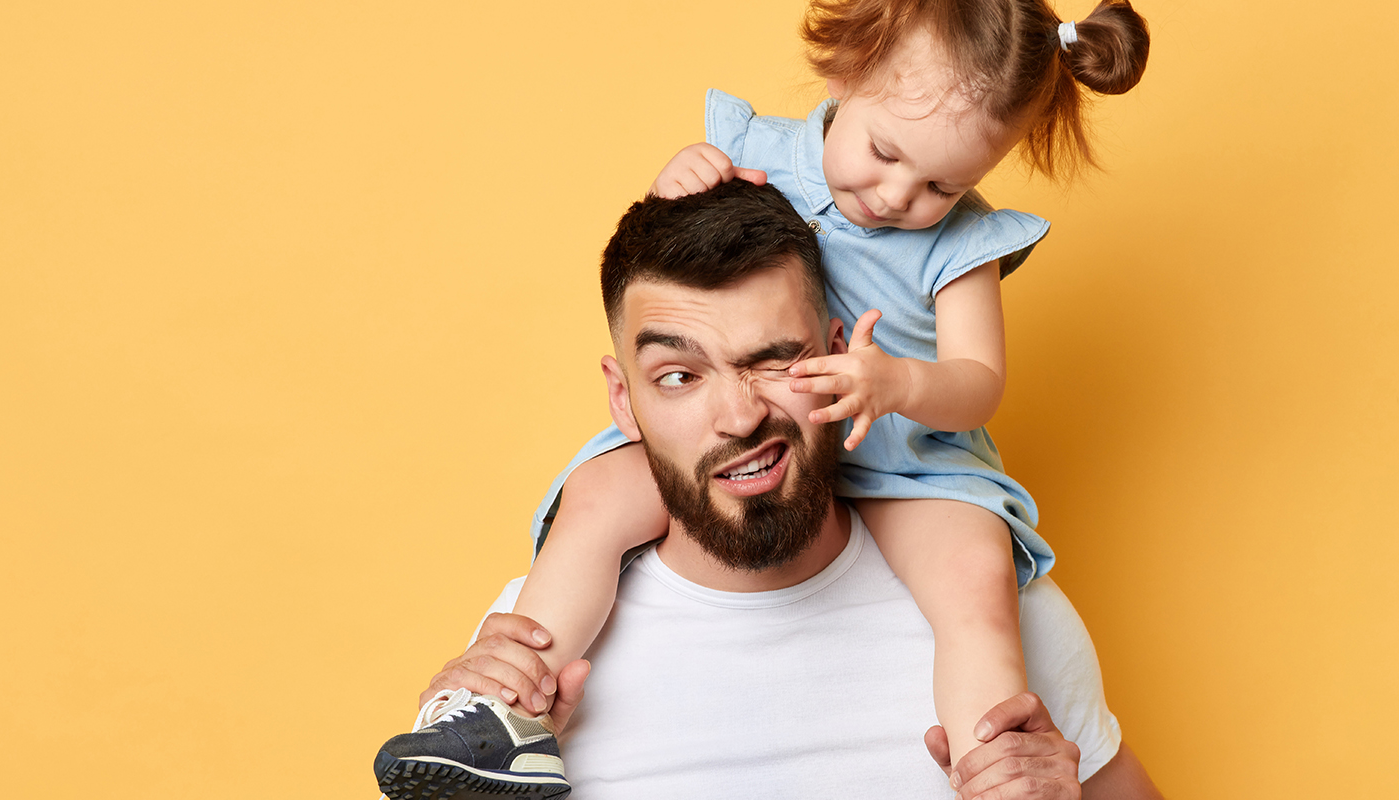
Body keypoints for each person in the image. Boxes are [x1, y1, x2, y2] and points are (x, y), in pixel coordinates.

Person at [483, 0, 1157, 788]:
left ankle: (995, 767)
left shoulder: (964, 244)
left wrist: (899, 380)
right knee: (596, 494)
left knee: (977, 582)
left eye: (944, 182)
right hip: (776, 445)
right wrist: (679, 182)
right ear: (847, 72)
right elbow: (666, 275)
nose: (899, 195)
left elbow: (978, 386)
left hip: (910, 462)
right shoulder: (755, 151)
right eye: (884, 151)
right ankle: (502, 712)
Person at [377, 180, 1160, 800]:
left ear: (837, 353)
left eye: (775, 362)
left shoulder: (1004, 616)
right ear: (624, 402)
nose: (740, 415)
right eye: (679, 377)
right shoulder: (533, 645)